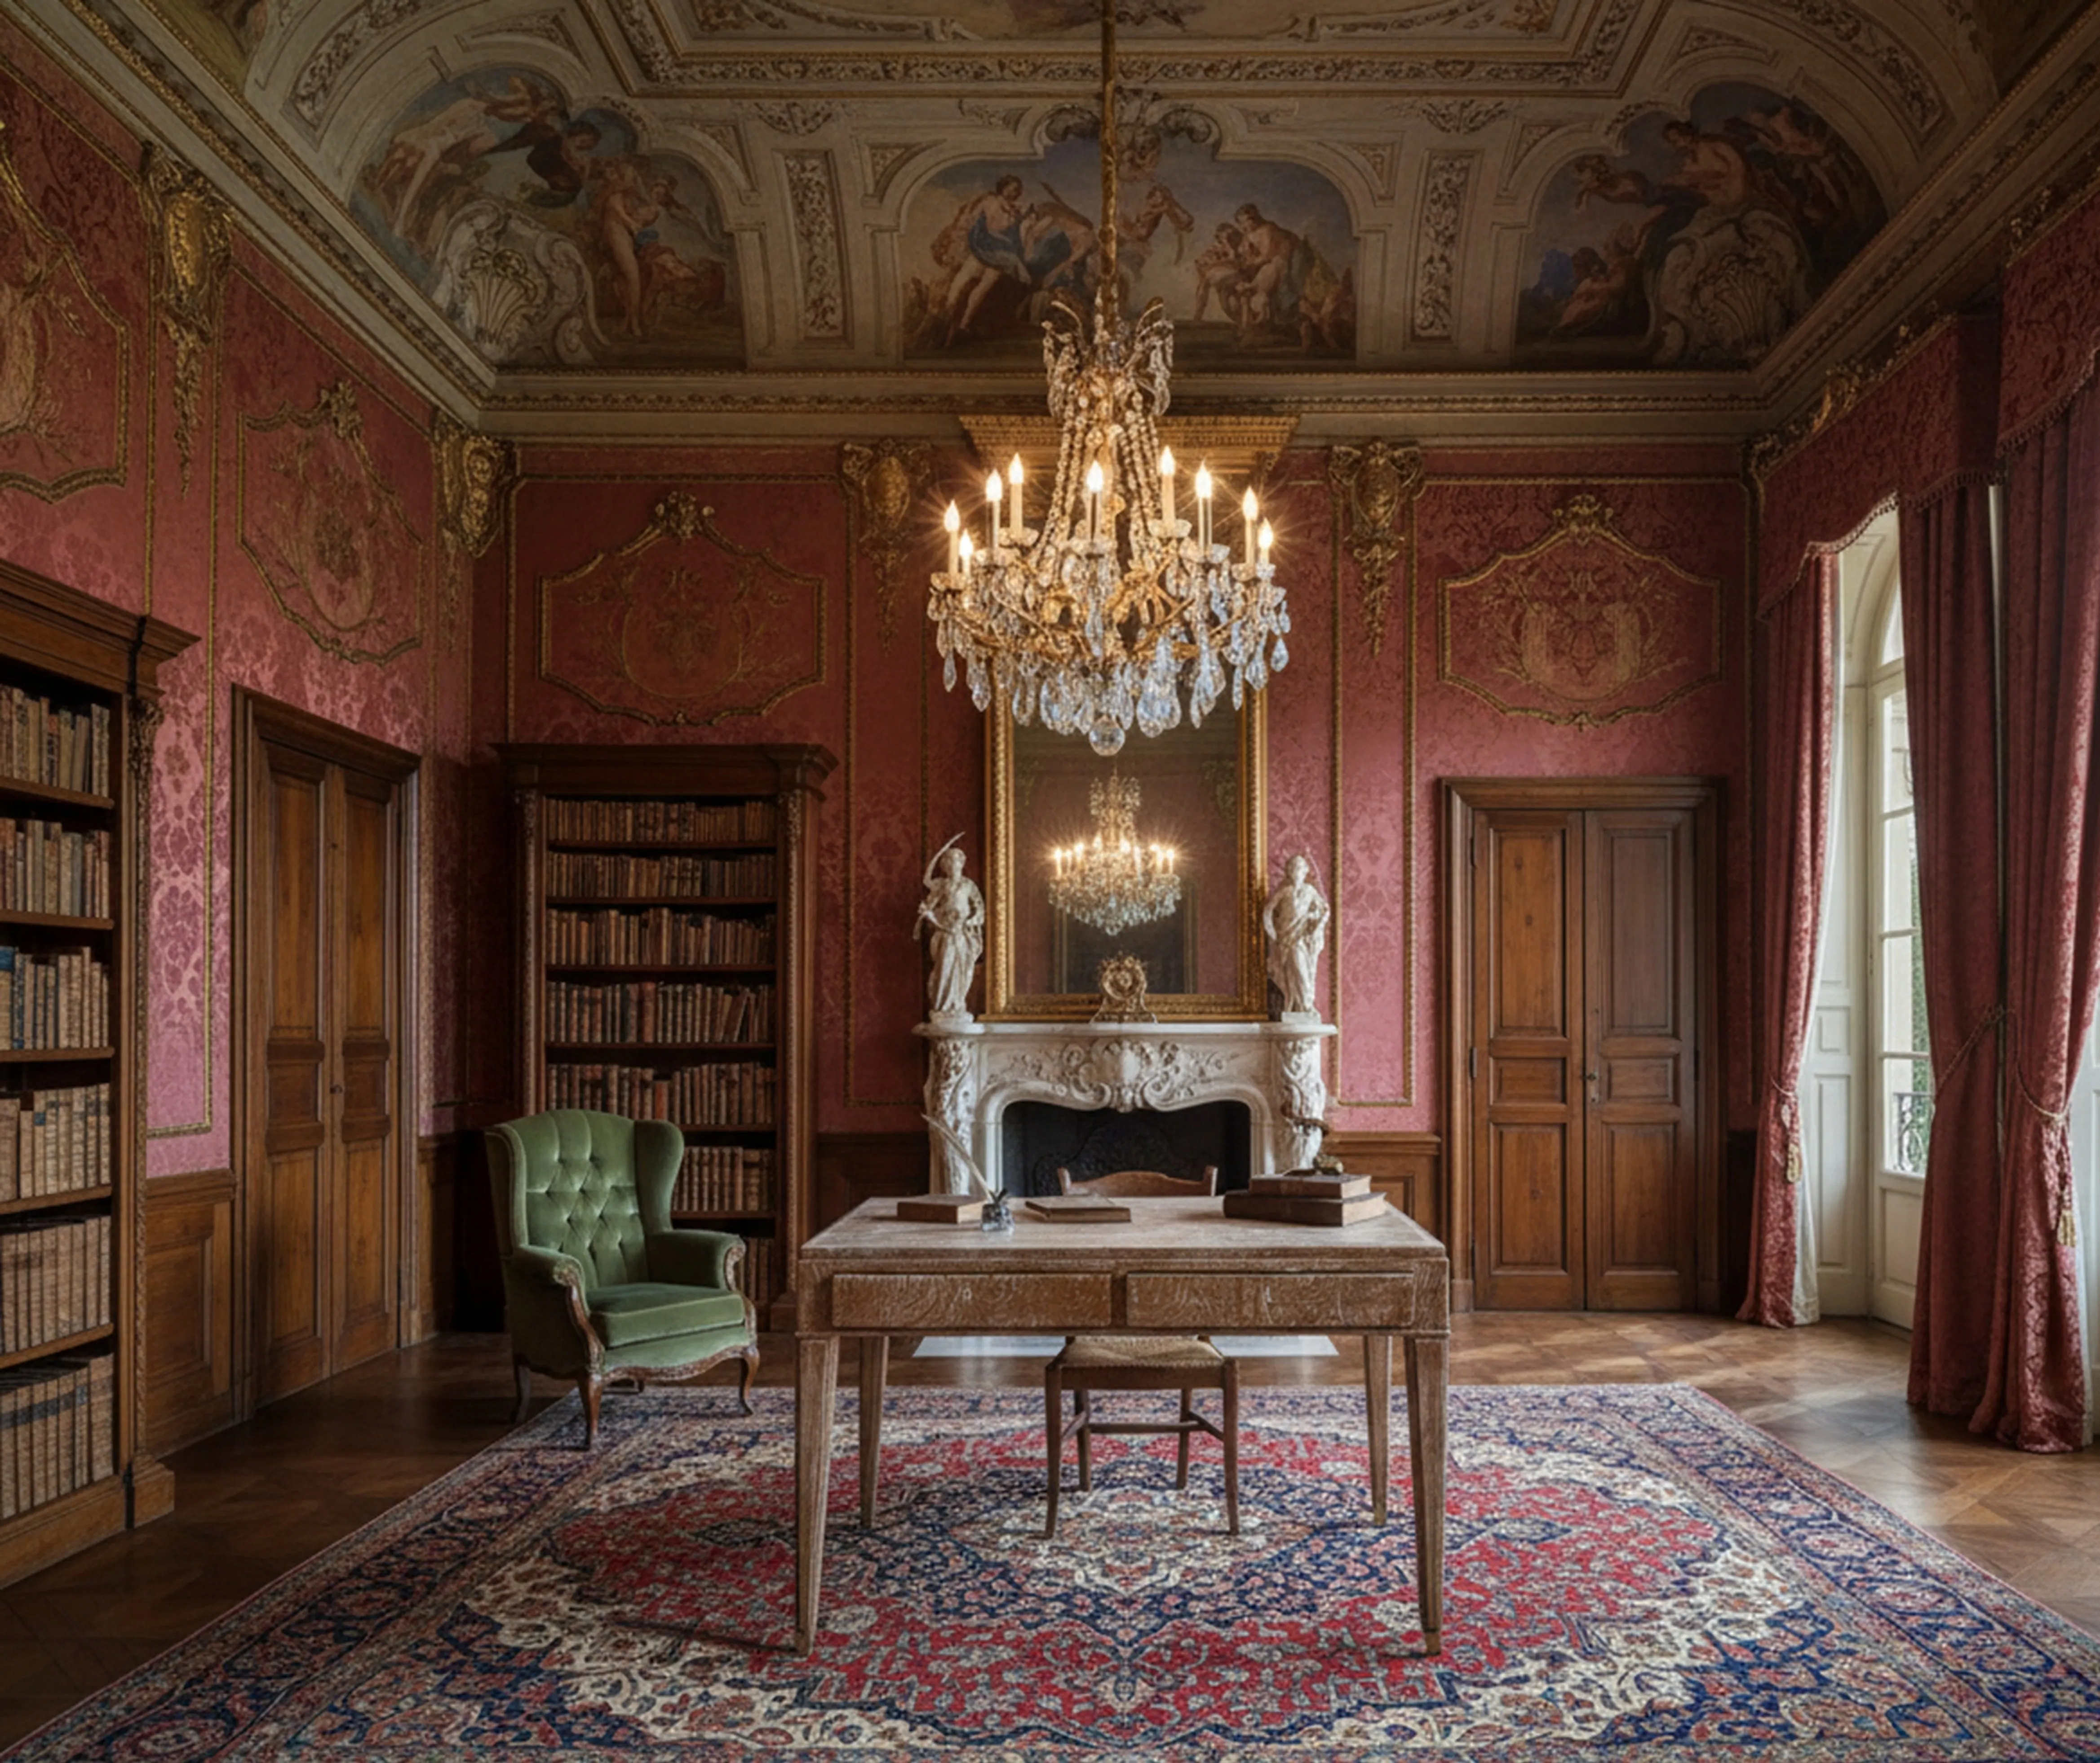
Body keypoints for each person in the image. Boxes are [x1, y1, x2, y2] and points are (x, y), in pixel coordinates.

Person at [914, 838, 986, 1019]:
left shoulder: (969, 886)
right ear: (946, 865)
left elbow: (980, 909)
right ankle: (943, 1005)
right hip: (946, 932)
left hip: (962, 933)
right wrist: (927, 912)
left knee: (963, 968)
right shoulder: (942, 886)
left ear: (962, 863)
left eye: (957, 861)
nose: (953, 865)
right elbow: (929, 898)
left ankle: (958, 1003)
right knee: (945, 965)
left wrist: (971, 921)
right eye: (950, 862)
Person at [1263, 854, 1329, 1019]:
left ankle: (1305, 1005)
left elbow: (1324, 910)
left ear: (1305, 871)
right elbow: (1268, 911)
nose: (1295, 871)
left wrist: (1313, 917)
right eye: (1292, 868)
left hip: (1302, 939)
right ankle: (1298, 1005)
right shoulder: (1285, 892)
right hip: (1286, 939)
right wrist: (1271, 931)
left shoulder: (1310, 891)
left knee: (1303, 971)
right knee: (1292, 974)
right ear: (1288, 872)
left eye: (1299, 868)